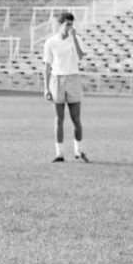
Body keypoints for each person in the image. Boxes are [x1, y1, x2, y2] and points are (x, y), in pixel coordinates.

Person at [42, 11, 88, 162]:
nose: (70, 27)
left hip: (73, 78)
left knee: (76, 119)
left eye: (71, 24)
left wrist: (74, 37)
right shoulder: (51, 42)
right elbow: (47, 66)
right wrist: (46, 88)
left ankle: (78, 151)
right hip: (57, 80)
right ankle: (59, 153)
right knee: (58, 119)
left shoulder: (76, 39)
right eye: (67, 24)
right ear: (60, 24)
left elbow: (81, 56)